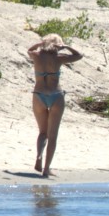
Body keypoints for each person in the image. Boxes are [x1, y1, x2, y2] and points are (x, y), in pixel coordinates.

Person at [27, 34, 83, 178]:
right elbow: (79, 56)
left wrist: (39, 44)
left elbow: (29, 50)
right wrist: (67, 47)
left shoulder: (37, 56)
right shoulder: (59, 58)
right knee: (53, 136)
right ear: (58, 45)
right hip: (55, 96)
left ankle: (39, 156)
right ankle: (46, 169)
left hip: (38, 95)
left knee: (42, 132)